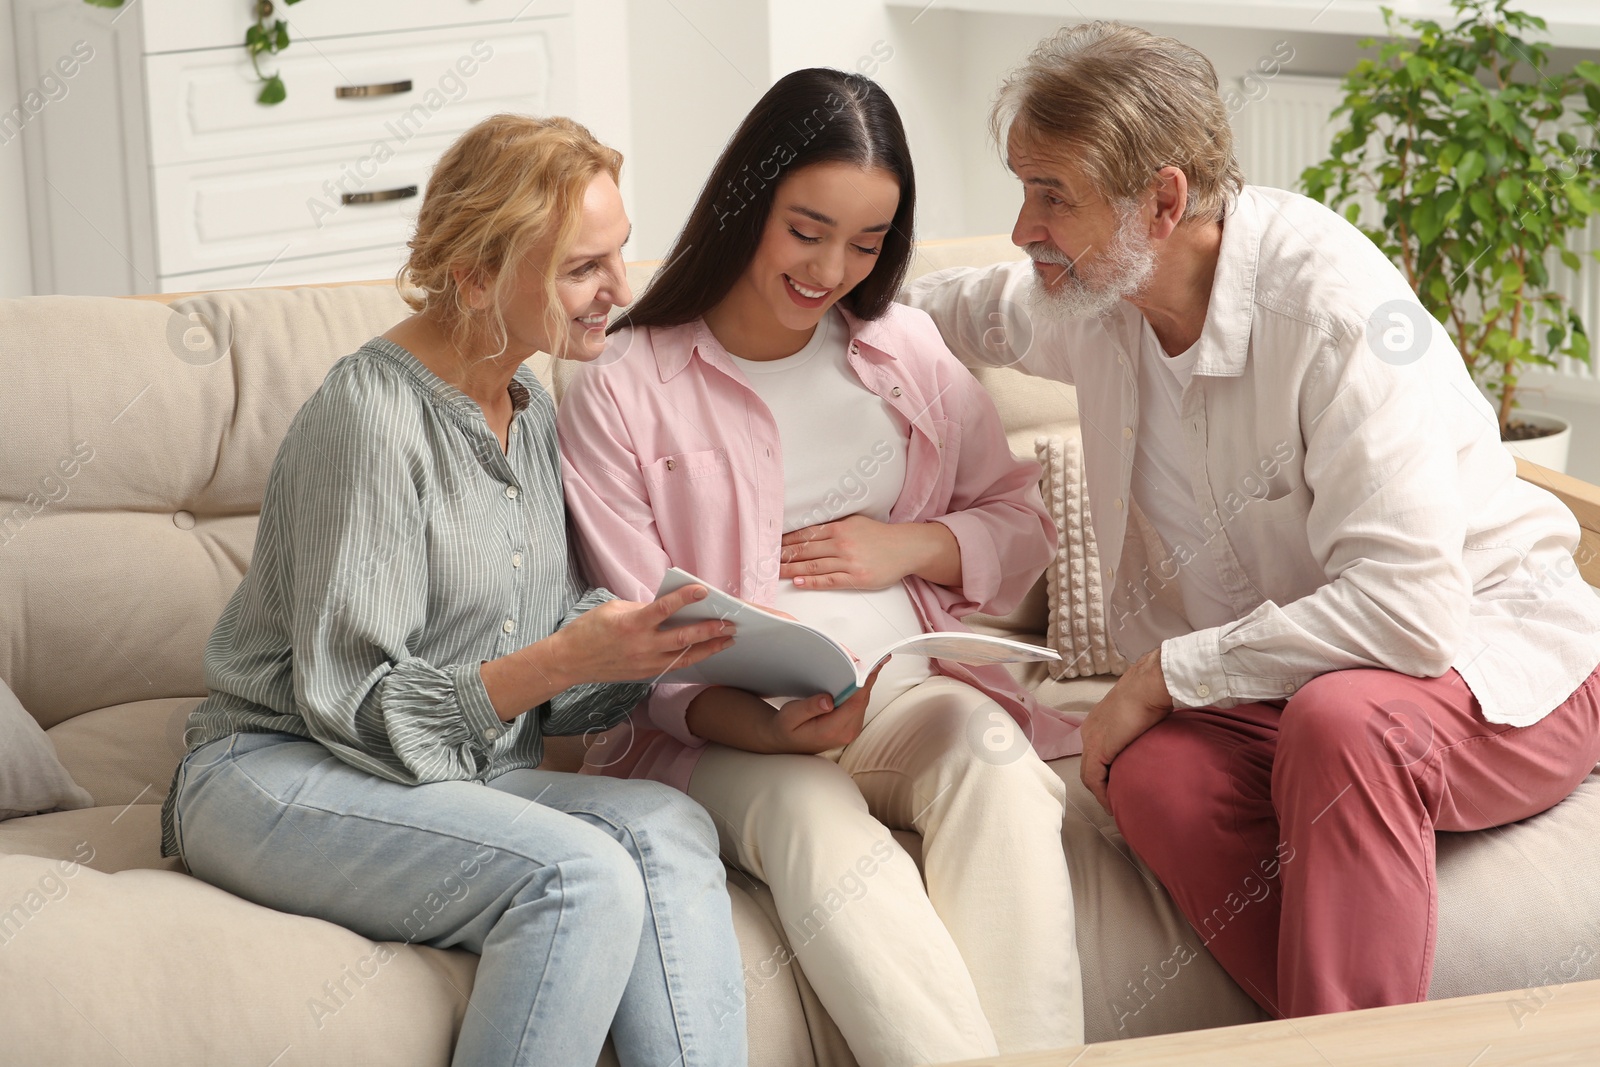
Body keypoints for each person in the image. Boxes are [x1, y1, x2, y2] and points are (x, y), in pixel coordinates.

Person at [904, 21, 1600, 1020]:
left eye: (1050, 193)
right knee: (1150, 774)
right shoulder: (1098, 296)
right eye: (1023, 188)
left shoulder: (1332, 311)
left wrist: (1162, 671)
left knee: (1343, 722)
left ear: (1164, 199)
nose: (1022, 227)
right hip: (1289, 690)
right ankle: (1364, 1033)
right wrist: (789, 293)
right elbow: (960, 308)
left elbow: (1406, 614)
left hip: (1493, 662)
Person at [159, 114, 749, 1067]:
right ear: (476, 277)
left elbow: (543, 663)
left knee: (668, 825)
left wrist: (641, 650)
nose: (620, 293)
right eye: (581, 268)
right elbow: (354, 707)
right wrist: (562, 657)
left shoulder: (531, 408)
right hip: (274, 768)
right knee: (581, 874)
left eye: (620, 255)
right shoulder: (371, 416)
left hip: (458, 769)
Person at [557, 69, 1086, 1067]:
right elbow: (633, 641)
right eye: (807, 229)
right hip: (718, 731)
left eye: (867, 243)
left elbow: (1018, 519)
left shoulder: (903, 350)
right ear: (747, 199)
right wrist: (759, 724)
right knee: (811, 817)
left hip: (901, 697)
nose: (832, 268)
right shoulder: (622, 385)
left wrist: (916, 543)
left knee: (996, 760)